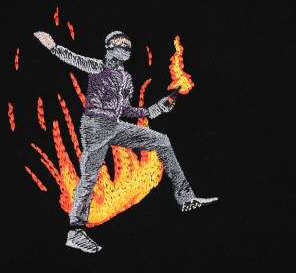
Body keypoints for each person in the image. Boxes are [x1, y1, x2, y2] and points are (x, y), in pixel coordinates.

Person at [34, 30, 218, 254]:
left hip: (115, 125)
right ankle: (75, 232)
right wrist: (53, 47)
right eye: (119, 43)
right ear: (108, 47)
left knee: (162, 141)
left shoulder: (127, 79)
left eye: (127, 45)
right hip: (95, 126)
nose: (124, 48)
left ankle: (186, 198)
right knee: (90, 177)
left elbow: (125, 110)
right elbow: (74, 59)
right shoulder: (98, 67)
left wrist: (153, 109)